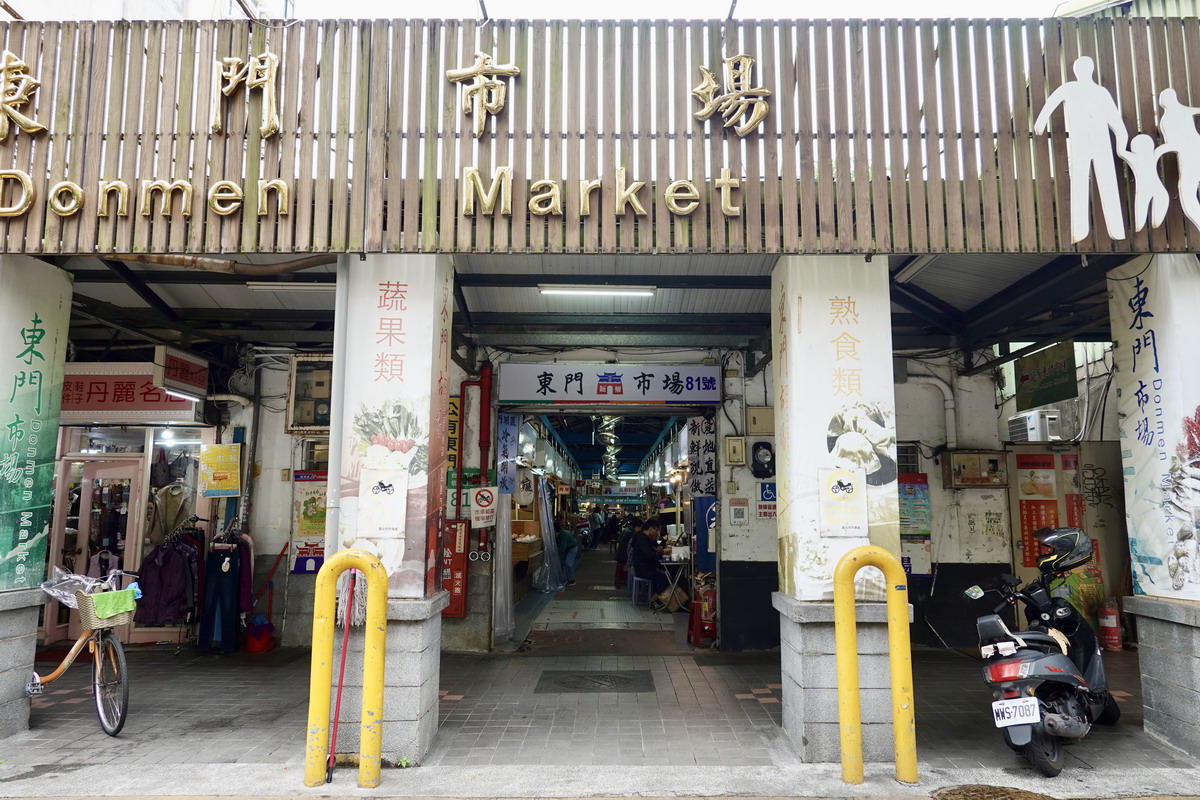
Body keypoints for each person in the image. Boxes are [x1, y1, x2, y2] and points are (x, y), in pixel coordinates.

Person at [628, 518, 670, 600]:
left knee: (667, 573)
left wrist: (658, 549)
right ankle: (654, 599)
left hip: (645, 566)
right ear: (650, 528)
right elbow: (649, 555)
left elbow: (654, 548)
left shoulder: (647, 537)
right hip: (642, 569)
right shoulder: (642, 539)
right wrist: (660, 553)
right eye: (656, 530)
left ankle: (655, 596)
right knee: (665, 578)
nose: (657, 533)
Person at [614, 517, 642, 589]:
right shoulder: (632, 534)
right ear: (637, 527)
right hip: (624, 557)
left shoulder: (628, 530)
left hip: (620, 555)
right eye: (641, 528)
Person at [556, 521, 580, 587]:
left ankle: (571, 580)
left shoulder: (564, 534)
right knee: (560, 563)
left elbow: (562, 548)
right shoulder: (556, 534)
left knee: (568, 563)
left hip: (572, 547)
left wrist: (555, 552)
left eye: (556, 533)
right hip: (565, 548)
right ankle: (561, 580)